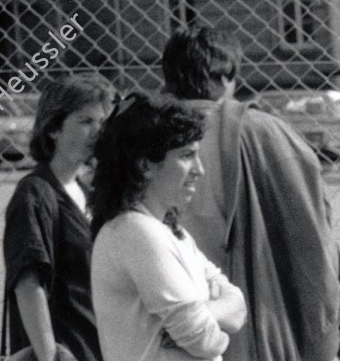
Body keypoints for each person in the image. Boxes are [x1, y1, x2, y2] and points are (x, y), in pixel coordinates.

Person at [160, 27, 339, 361]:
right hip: (256, 321)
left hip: (168, 326)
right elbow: (312, 237)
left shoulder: (141, 136)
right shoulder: (264, 134)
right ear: (229, 76)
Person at [89, 92, 246, 361]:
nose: (199, 169)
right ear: (145, 165)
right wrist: (210, 323)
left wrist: (203, 313)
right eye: (187, 155)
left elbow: (238, 306)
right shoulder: (135, 233)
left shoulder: (170, 232)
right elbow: (207, 342)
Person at [2, 74, 114, 361]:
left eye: (102, 122)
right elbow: (28, 284)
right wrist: (50, 355)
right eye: (85, 121)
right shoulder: (35, 194)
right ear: (53, 128)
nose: (97, 132)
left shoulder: (90, 191)